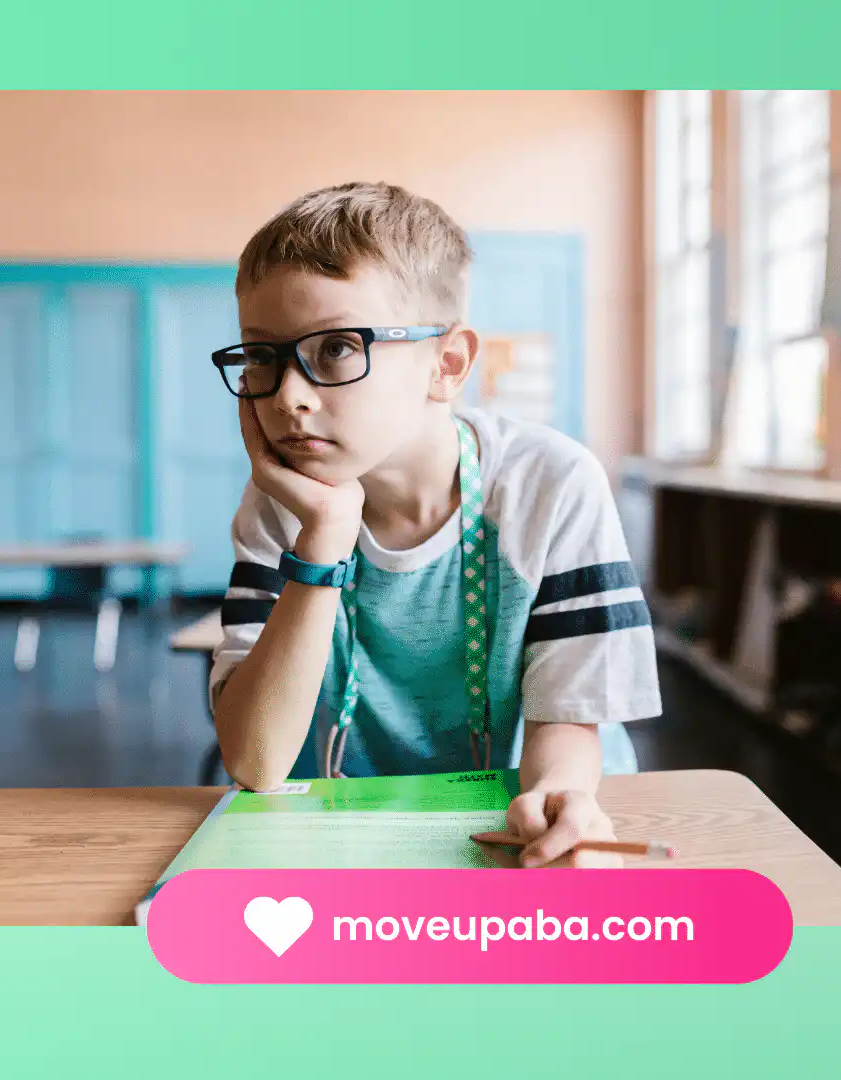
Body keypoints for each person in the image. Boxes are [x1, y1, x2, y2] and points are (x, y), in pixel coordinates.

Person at [209, 182, 661, 869]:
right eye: (264, 357)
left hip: (523, 815)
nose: (290, 397)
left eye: (335, 350)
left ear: (446, 364)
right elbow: (256, 761)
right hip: (353, 824)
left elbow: (567, 719)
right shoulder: (282, 505)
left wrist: (556, 804)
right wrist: (326, 535)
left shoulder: (548, 484)